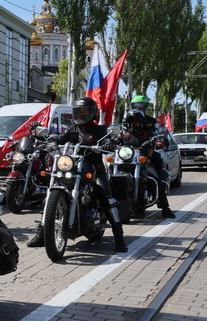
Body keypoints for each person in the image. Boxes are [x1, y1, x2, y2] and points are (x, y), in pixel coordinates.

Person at [28, 96, 128, 252]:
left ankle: (119, 238)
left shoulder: (100, 130)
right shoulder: (72, 128)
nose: (81, 115)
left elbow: (109, 139)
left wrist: (108, 143)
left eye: (85, 111)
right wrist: (52, 142)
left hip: (94, 168)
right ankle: (42, 234)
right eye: (78, 111)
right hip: (73, 166)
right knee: (49, 194)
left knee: (107, 198)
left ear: (92, 113)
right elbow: (60, 138)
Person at [124, 96, 176, 219]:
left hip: (145, 155)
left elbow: (160, 132)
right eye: (137, 104)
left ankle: (165, 207)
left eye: (142, 105)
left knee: (157, 176)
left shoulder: (150, 121)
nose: (139, 107)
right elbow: (117, 137)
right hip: (127, 157)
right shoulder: (125, 124)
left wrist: (160, 141)